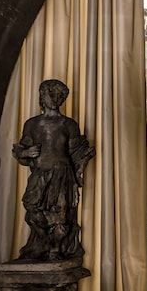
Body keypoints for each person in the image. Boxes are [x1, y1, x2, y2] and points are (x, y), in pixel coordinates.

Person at [13, 79, 95, 261]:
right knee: (32, 210)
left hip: (62, 174)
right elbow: (21, 149)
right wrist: (26, 152)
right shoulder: (32, 124)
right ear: (42, 96)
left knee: (60, 215)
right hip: (40, 173)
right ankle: (43, 243)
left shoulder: (68, 124)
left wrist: (83, 160)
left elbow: (75, 152)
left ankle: (55, 249)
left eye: (58, 95)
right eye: (49, 94)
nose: (53, 98)